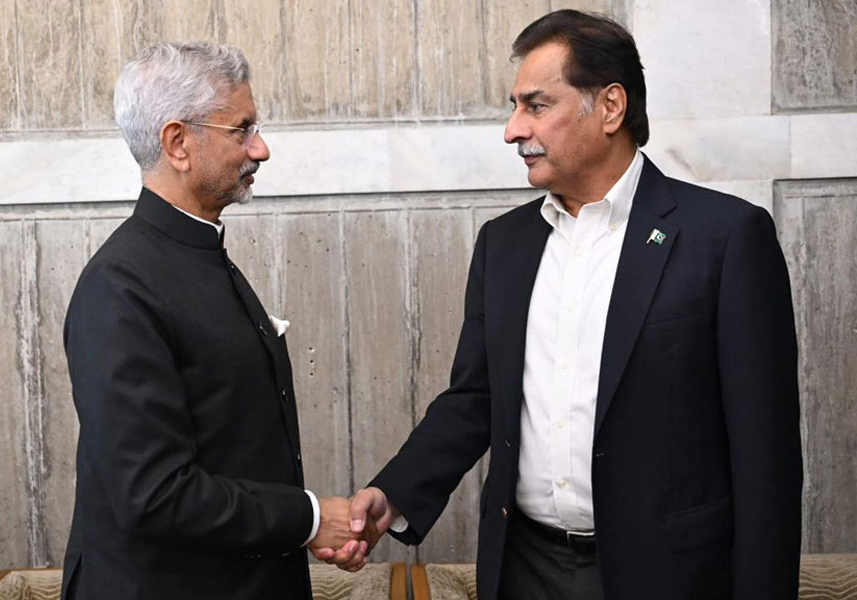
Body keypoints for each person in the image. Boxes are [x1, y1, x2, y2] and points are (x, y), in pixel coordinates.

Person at [332, 9, 803, 600]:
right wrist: (393, 494)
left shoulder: (726, 238)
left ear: (609, 107)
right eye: (515, 107)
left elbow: (767, 456)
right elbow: (476, 398)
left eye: (536, 105)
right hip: (524, 569)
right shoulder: (504, 244)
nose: (512, 130)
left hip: (671, 576)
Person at [61, 42, 368, 600]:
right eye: (242, 129)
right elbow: (155, 494)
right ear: (178, 143)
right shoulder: (119, 287)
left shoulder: (199, 255)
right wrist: (307, 517)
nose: (262, 149)